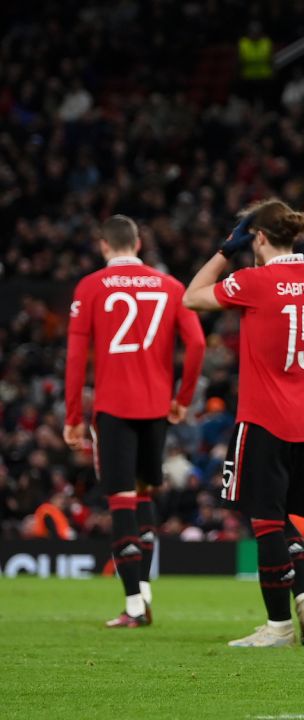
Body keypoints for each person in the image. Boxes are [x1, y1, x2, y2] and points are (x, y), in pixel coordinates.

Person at [183, 199, 304, 648]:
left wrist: (226, 251)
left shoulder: (254, 281)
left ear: (258, 238)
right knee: (284, 518)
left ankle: (278, 626)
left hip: (263, 419)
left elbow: (190, 297)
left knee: (266, 523)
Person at [64, 215, 206, 628]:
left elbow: (76, 358)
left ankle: (132, 605)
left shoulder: (90, 287)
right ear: (139, 244)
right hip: (156, 408)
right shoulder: (171, 286)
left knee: (121, 502)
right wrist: (181, 399)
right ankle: (143, 593)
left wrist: (73, 416)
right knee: (143, 497)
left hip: (114, 408)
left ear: (103, 246)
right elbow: (196, 342)